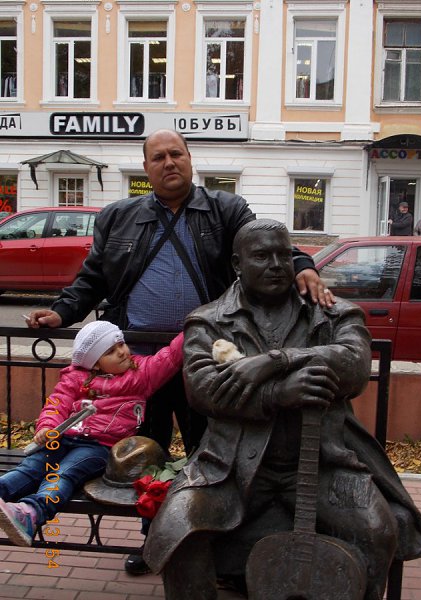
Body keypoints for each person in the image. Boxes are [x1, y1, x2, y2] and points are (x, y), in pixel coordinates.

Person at [26, 128, 334, 573]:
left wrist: (303, 266)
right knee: (143, 455)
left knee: (210, 453)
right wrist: (60, 312)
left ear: (190, 160)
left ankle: (212, 547)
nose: (169, 163)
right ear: (146, 168)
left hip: (206, 357)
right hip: (137, 363)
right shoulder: (118, 217)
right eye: (158, 157)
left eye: (176, 154)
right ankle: (154, 542)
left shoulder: (225, 210)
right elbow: (92, 279)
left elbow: (263, 243)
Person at [144, 219, 421, 600]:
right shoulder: (210, 321)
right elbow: (203, 390)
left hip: (323, 463)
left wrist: (276, 360)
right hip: (230, 468)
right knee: (178, 528)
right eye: (262, 256)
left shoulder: (331, 312)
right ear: (237, 263)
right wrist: (278, 394)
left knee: (376, 530)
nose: (276, 265)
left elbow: (355, 365)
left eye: (283, 255)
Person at [0, 320, 182, 547]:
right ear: (95, 364)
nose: (121, 352)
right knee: (30, 467)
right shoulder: (76, 377)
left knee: (64, 473)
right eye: (111, 351)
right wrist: (46, 427)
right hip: (63, 437)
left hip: (99, 447)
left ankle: (31, 513)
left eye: (121, 344)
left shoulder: (140, 374)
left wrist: (194, 326)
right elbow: (57, 403)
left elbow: (170, 356)